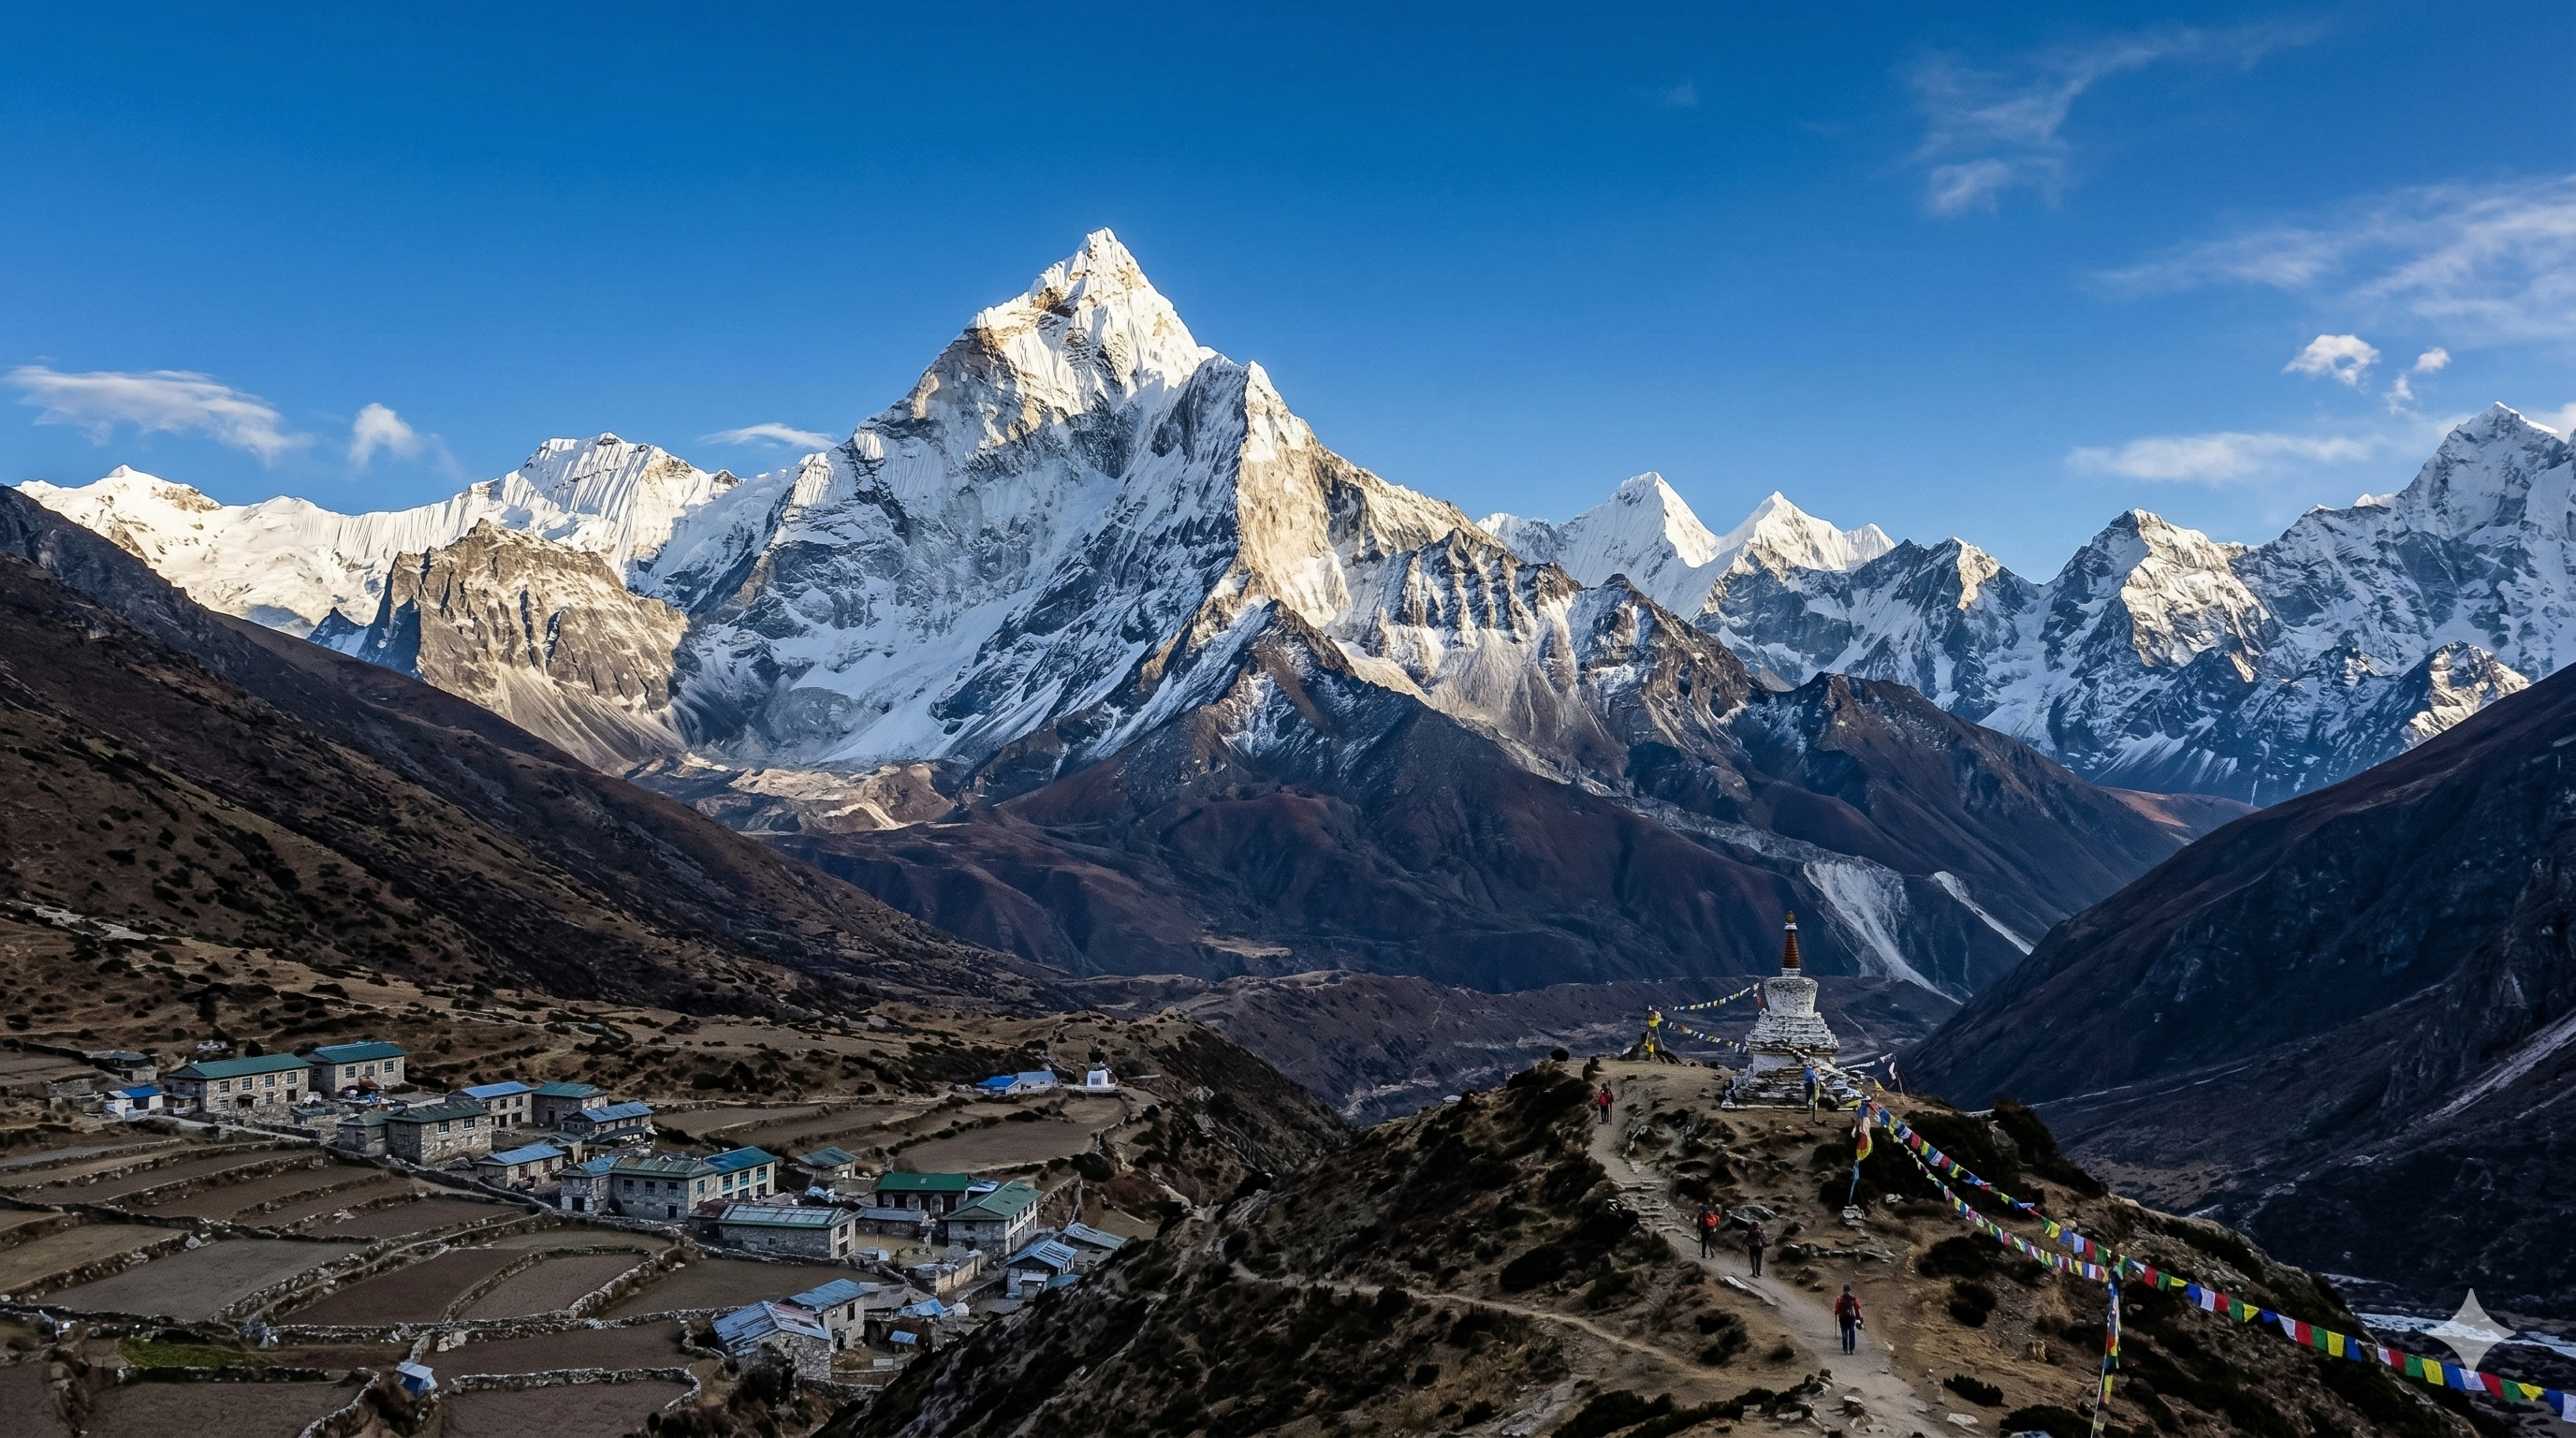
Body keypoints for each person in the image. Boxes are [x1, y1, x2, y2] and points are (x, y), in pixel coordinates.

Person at [1835, 1284, 1863, 1355]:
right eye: (1847, 1290)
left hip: (1844, 1318)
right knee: (1851, 1333)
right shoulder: (1853, 1298)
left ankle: (1847, 1349)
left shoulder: (1840, 1299)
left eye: (1848, 1290)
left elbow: (1837, 1310)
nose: (1848, 1292)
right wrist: (1859, 1318)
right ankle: (1850, 1349)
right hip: (1849, 1318)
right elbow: (1857, 1307)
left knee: (1846, 1334)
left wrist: (1836, 1312)